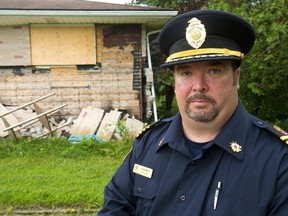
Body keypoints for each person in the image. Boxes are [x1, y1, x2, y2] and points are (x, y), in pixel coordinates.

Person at [98, 9, 288, 216]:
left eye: (213, 71)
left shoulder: (278, 159)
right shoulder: (148, 145)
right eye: (186, 72)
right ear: (175, 82)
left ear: (237, 77)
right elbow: (115, 207)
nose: (199, 86)